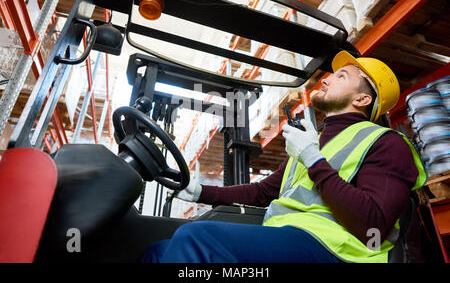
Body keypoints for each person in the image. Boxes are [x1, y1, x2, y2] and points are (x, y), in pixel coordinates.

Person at [142, 51, 427, 263]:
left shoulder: (387, 144)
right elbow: (262, 191)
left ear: (363, 99)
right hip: (288, 238)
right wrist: (200, 192)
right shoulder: (313, 142)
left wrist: (313, 159)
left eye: (342, 76)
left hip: (337, 251)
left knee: (196, 239)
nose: (326, 78)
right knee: (157, 251)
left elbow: (373, 226)